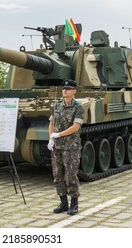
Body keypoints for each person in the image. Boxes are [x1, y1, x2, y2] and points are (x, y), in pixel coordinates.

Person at [48, 79, 84, 215]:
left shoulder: (78, 107)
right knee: (57, 175)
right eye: (64, 89)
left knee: (70, 175)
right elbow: (51, 123)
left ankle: (74, 203)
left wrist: (59, 135)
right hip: (57, 147)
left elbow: (76, 126)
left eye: (68, 89)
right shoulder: (56, 105)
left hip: (71, 146)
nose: (65, 91)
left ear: (74, 91)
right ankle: (63, 202)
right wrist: (51, 137)